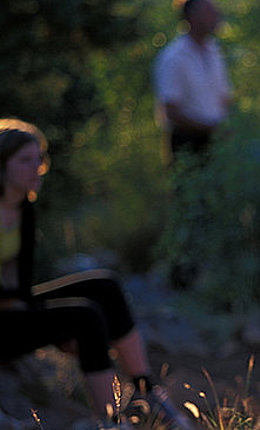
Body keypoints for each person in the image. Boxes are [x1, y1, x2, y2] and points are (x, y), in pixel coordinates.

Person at [0, 119, 196, 430]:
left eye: (38, 159)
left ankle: (147, 394)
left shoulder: (23, 208)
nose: (36, 167)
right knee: (84, 316)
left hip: (14, 307)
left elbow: (21, 283)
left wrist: (39, 317)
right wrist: (44, 320)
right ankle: (111, 422)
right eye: (25, 160)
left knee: (104, 285)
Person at [153, 0, 231, 162]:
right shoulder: (173, 57)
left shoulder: (214, 50)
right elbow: (171, 110)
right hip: (187, 143)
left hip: (217, 141)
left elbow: (224, 97)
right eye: (209, 12)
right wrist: (209, 128)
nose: (217, 15)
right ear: (192, 17)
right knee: (191, 185)